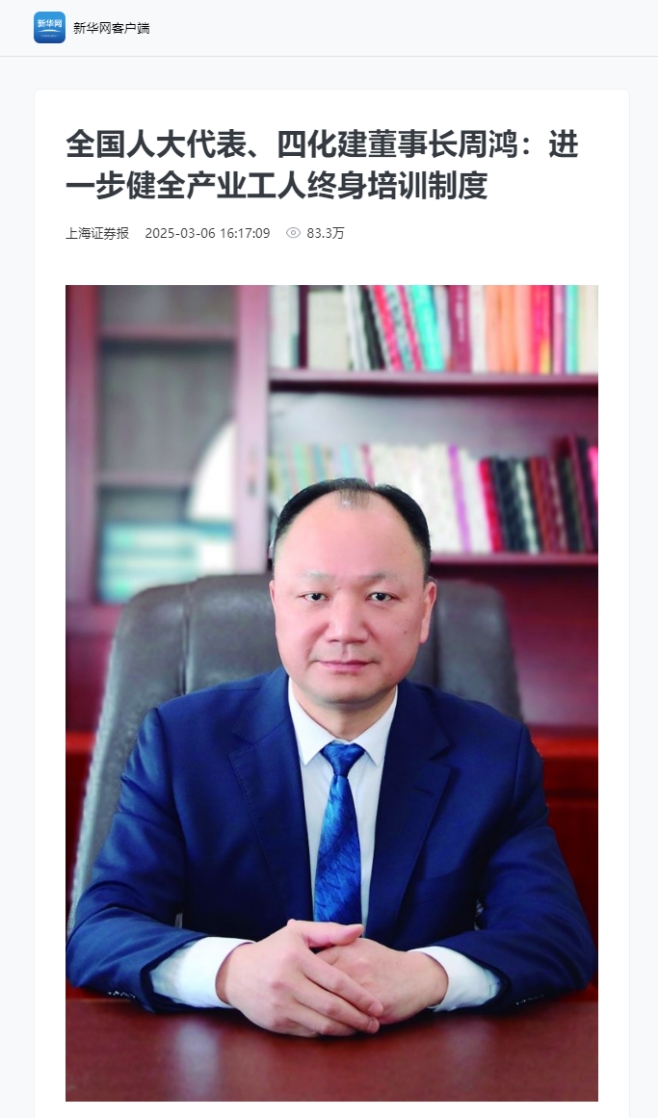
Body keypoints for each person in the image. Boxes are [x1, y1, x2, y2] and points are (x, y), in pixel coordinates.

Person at [66, 479, 597, 1037]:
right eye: (315, 596)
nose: (345, 630)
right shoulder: (181, 744)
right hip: (230, 1058)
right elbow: (101, 930)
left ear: (424, 610)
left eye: (380, 596)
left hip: (421, 1061)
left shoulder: (492, 755)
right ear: (277, 603)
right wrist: (231, 972)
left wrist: (429, 975)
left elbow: (556, 937)